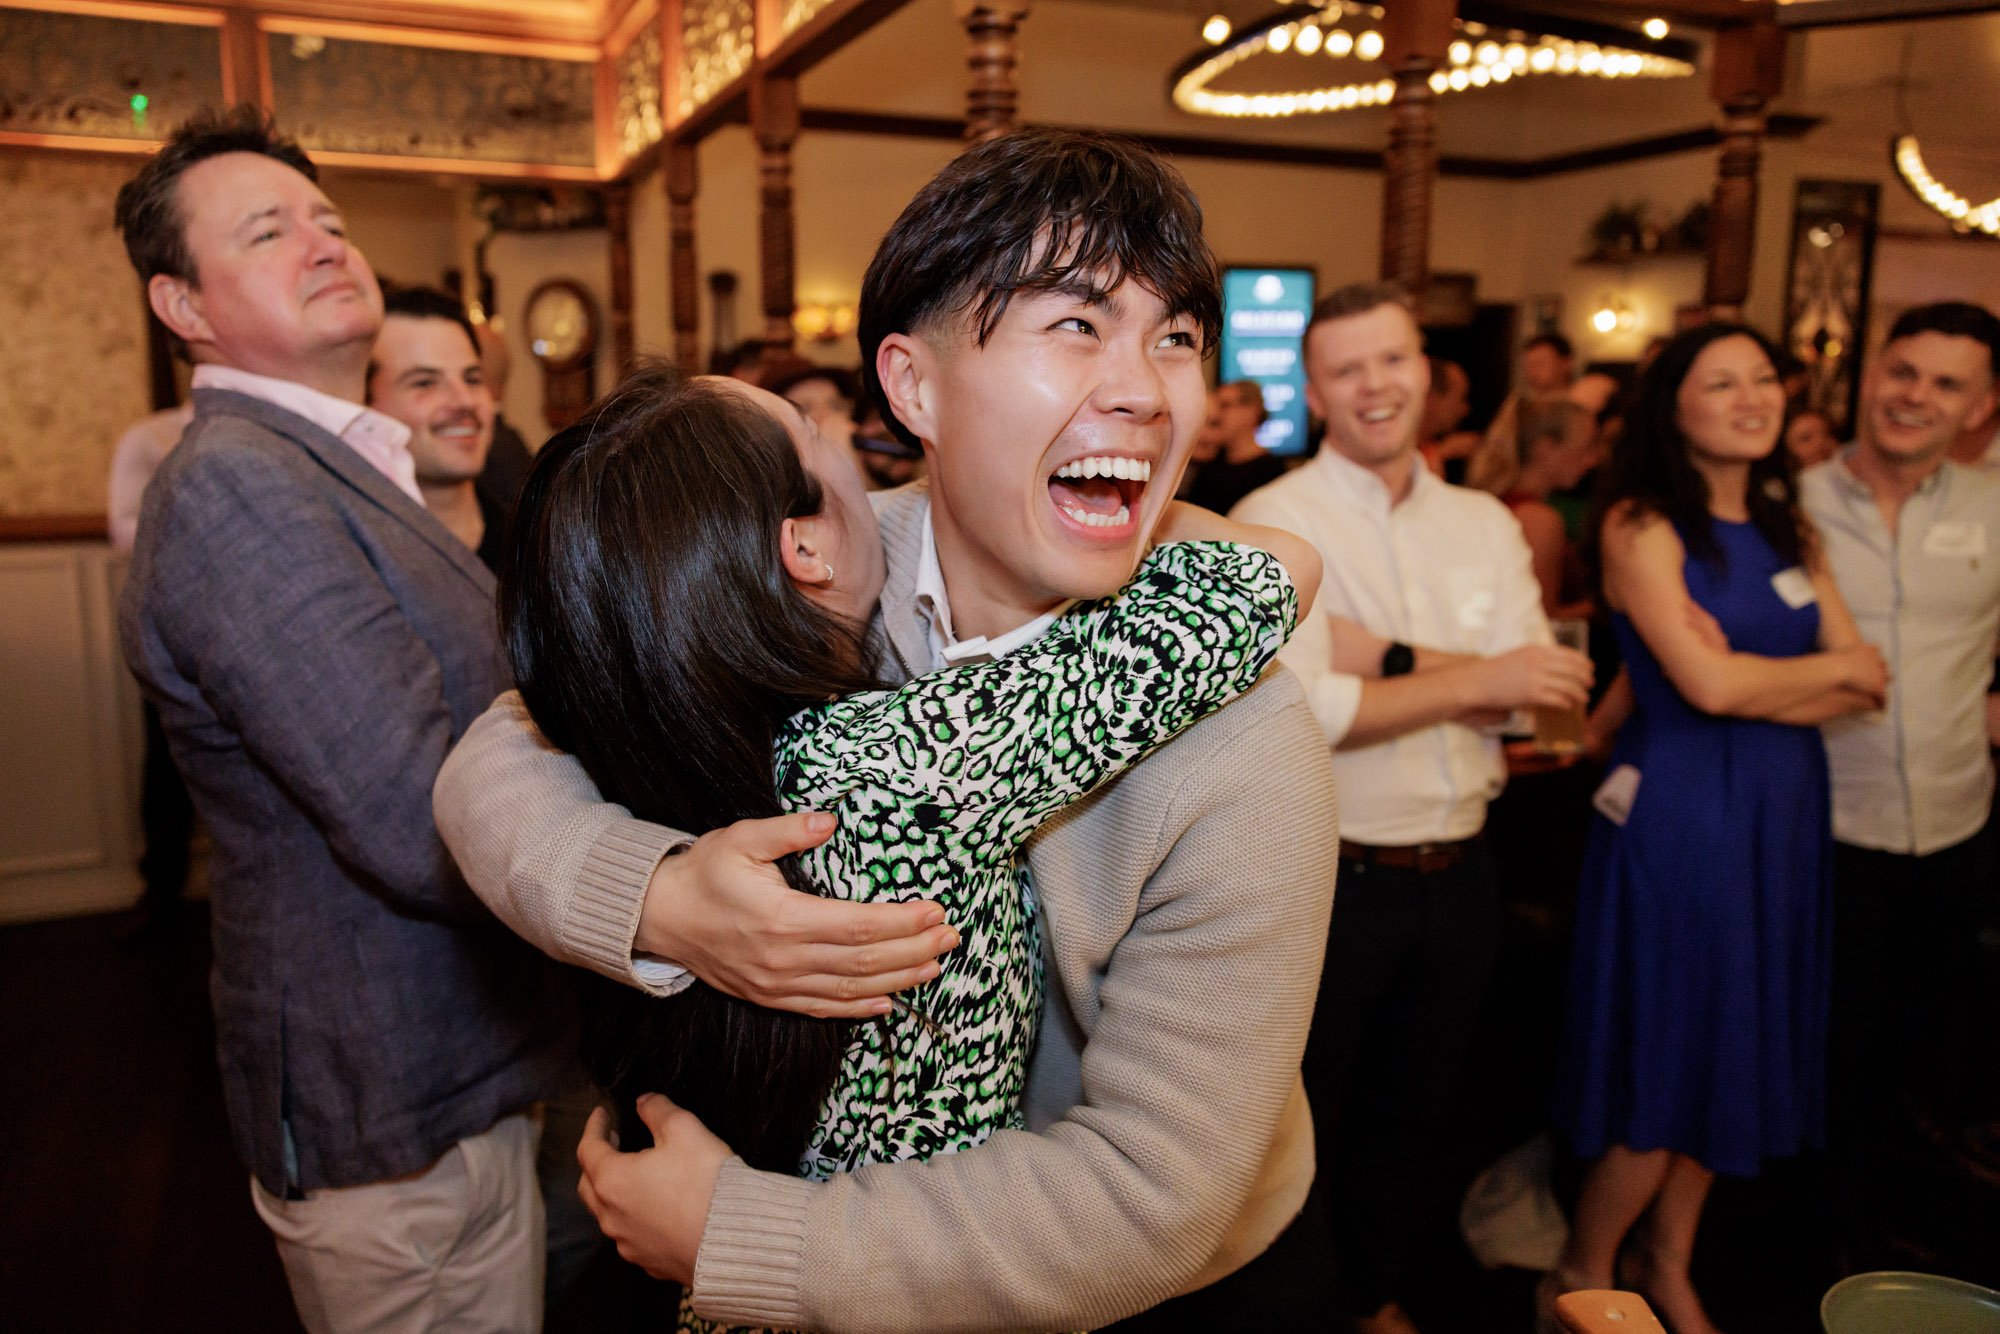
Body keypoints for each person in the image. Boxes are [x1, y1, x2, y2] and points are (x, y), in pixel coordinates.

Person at [432, 128, 1341, 1332]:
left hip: (1162, 1287)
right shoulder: (821, 576)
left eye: (1173, 335)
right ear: (912, 385)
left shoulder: (1238, 727)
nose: (1143, 385)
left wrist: (740, 1234)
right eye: (1073, 324)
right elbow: (506, 749)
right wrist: (660, 898)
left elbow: (1149, 1191)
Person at [113, 106, 579, 1332]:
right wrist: (655, 885)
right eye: (268, 230)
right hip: (379, 1080)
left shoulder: (335, 465)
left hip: (458, 1054)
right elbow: (409, 806)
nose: (325, 242)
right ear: (186, 307)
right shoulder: (235, 484)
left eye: (326, 217)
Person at [1232, 282, 1593, 1334]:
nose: (1373, 386)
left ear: (1427, 374)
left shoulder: (1483, 523)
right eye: (1345, 368)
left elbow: (1538, 683)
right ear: (1312, 389)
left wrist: (1402, 664)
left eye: (1390, 361)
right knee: (1295, 1115)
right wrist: (1478, 679)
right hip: (1329, 875)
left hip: (1466, 868)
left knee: (1415, 1112)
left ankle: (1371, 1293)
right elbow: (1312, 706)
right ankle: (1285, 1308)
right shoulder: (1274, 519)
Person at [1547, 323, 1887, 1334]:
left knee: (1737, 1043)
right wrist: (1776, 678)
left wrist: (1752, 682)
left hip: (1781, 808)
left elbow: (1864, 674)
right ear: (1674, 407)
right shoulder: (1642, 524)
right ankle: (1577, 1267)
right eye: (1719, 382)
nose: (1749, 397)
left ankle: (1666, 1259)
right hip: (1685, 816)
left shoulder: (1792, 527)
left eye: (1761, 379)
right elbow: (1702, 683)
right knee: (1674, 1045)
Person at [1798, 301, 2000, 1265]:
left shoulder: (1996, 508)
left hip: (1956, 826)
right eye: (1904, 371)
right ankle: (1814, 1239)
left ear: (1982, 405)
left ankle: (1883, 1225)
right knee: (1824, 1042)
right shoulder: (1791, 501)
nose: (1915, 396)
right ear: (1872, 374)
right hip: (1821, 823)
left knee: (1919, 1044)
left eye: (1946, 383)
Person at [107, 401, 199, 938]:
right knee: (166, 768)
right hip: (176, 625)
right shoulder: (150, 436)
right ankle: (161, 893)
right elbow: (122, 528)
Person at [368, 287, 504, 566]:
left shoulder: (538, 544)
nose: (464, 401)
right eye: (425, 383)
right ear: (365, 404)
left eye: (472, 379)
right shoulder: (362, 560)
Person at [1468, 399, 1599, 618]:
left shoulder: (1494, 504)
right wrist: (1605, 606)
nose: (1592, 460)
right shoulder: (1538, 519)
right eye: (1586, 448)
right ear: (1546, 448)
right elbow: (1539, 620)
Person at [1183, 378, 1286, 515]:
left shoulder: (1272, 473)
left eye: (1224, 405)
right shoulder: (1207, 461)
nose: (1216, 414)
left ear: (1251, 412)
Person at [1417, 356, 1480, 482]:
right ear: (1432, 398)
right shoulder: (1392, 443)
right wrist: (1439, 453)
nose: (1465, 410)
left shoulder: (1428, 447)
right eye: (1461, 398)